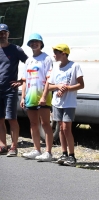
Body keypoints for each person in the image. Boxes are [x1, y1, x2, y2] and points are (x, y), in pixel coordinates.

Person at [43, 44, 84, 166]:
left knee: (67, 128)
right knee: (60, 128)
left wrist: (67, 88)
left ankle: (72, 156)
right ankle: (64, 153)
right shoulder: (55, 67)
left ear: (64, 53)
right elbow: (49, 86)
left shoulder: (75, 66)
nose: (54, 55)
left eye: (56, 52)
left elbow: (81, 85)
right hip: (57, 102)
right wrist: (58, 86)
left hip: (69, 103)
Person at [20, 33, 54, 161]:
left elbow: (49, 79)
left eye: (37, 42)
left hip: (42, 96)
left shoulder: (46, 58)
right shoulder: (28, 60)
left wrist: (45, 96)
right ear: (29, 45)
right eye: (32, 42)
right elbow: (24, 80)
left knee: (45, 123)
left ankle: (48, 152)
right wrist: (23, 97)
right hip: (30, 96)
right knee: (33, 124)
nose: (34, 44)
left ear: (41, 44)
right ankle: (36, 149)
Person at [0, 23, 28, 156]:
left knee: (11, 118)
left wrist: (21, 81)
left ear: (8, 34)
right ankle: (2, 145)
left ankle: (14, 147)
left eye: (5, 32)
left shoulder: (16, 50)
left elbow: (30, 65)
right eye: (0, 33)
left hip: (10, 90)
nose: (2, 35)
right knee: (0, 119)